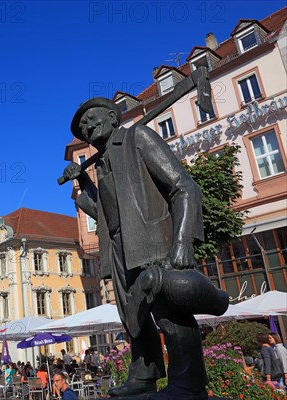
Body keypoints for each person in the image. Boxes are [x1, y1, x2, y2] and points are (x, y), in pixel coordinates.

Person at [64, 97, 229, 399]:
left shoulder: (136, 137)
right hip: (119, 249)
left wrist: (183, 240)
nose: (86, 128)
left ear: (113, 117)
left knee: (169, 315)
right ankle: (144, 374)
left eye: (90, 119)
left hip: (154, 242)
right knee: (134, 317)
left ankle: (188, 384)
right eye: (82, 127)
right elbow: (104, 213)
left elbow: (184, 187)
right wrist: (83, 184)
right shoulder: (102, 162)